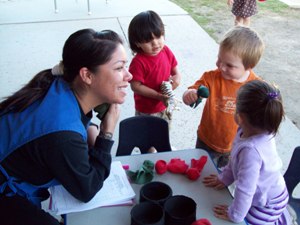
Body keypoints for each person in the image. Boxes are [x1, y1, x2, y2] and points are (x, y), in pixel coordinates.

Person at [0, 28, 132, 225]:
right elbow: (86, 190)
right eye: (119, 68)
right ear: (87, 75)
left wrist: (90, 128)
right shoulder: (62, 135)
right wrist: (107, 132)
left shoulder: (60, 85)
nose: (128, 76)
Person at [203, 80, 291, 224]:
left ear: (240, 117)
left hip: (268, 204)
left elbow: (245, 190)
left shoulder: (251, 152)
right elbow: (234, 161)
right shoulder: (249, 130)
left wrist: (235, 215)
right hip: (263, 193)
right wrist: (224, 178)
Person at [182, 26, 264, 168]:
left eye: (229, 65)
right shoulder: (212, 78)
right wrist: (190, 95)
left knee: (227, 180)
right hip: (206, 141)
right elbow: (192, 91)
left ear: (249, 66)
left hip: (237, 145)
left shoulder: (256, 87)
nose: (221, 67)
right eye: (219, 59)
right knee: (201, 173)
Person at [128, 10, 181, 124]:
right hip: (146, 110)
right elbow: (136, 86)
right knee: (146, 137)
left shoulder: (166, 51)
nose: (156, 43)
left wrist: (174, 83)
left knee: (163, 134)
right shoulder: (138, 62)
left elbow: (176, 73)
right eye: (148, 40)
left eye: (159, 36)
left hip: (165, 106)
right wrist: (158, 96)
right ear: (137, 43)